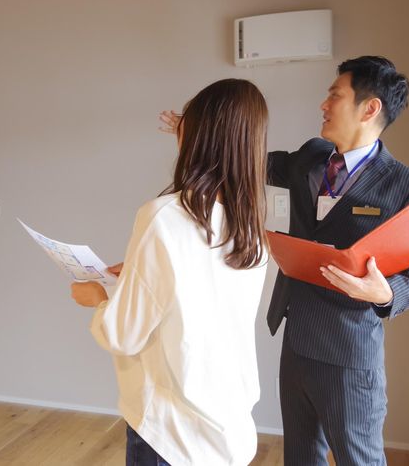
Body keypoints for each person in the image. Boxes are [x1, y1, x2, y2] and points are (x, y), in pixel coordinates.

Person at [160, 56, 409, 466]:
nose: (323, 105)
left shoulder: (407, 185)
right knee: (300, 457)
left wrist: (385, 293)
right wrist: (198, 135)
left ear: (369, 108)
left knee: (359, 460)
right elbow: (248, 161)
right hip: (296, 340)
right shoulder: (311, 156)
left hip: (349, 352)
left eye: (335, 95)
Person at [71, 78, 271, 466]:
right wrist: (140, 272)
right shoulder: (251, 230)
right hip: (228, 425)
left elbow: (124, 334)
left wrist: (98, 296)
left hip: (169, 430)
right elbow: (199, 295)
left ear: (198, 136)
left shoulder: (163, 216)